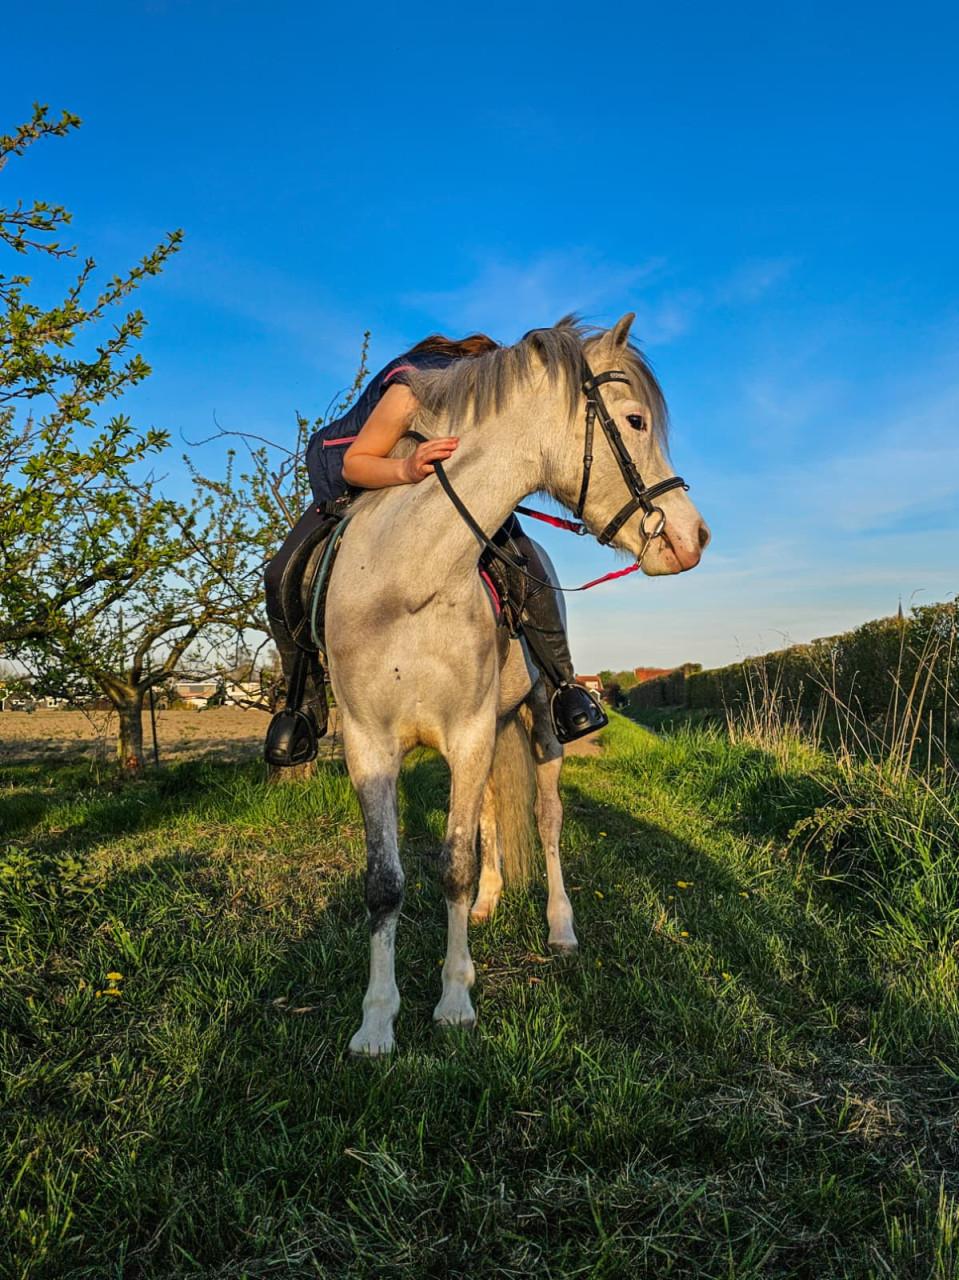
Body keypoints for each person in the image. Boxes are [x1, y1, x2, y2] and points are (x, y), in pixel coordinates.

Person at [263, 333, 608, 767]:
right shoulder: (415, 386)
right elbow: (356, 462)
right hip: (354, 494)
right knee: (280, 574)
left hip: (439, 503)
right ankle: (303, 705)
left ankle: (563, 686)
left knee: (524, 558)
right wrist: (407, 467)